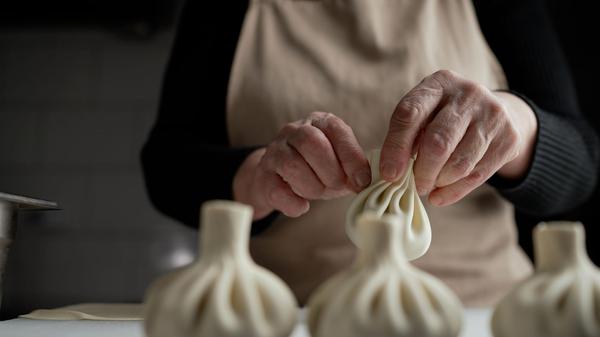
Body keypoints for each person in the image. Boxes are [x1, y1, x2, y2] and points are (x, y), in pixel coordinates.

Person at [141, 0, 599, 307]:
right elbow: (166, 163)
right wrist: (252, 176)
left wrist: (513, 124)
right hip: (292, 314)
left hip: (480, 312)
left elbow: (580, 166)